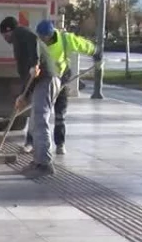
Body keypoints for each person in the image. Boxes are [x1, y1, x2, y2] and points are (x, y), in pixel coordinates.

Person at [23, 19, 101, 155]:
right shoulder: (37, 42)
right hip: (43, 81)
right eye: (40, 37)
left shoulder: (65, 40)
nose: (42, 40)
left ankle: (60, 144)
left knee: (60, 114)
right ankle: (30, 142)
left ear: (50, 34)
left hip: (60, 80)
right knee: (38, 112)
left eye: (44, 37)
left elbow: (82, 44)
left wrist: (96, 52)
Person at [0, 16, 60, 177]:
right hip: (42, 80)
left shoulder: (20, 34)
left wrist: (35, 64)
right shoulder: (21, 36)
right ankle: (38, 160)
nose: (5, 39)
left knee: (40, 121)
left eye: (4, 36)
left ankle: (45, 165)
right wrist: (23, 95)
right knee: (34, 121)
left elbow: (33, 50)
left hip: (45, 79)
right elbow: (28, 71)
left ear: (8, 31)